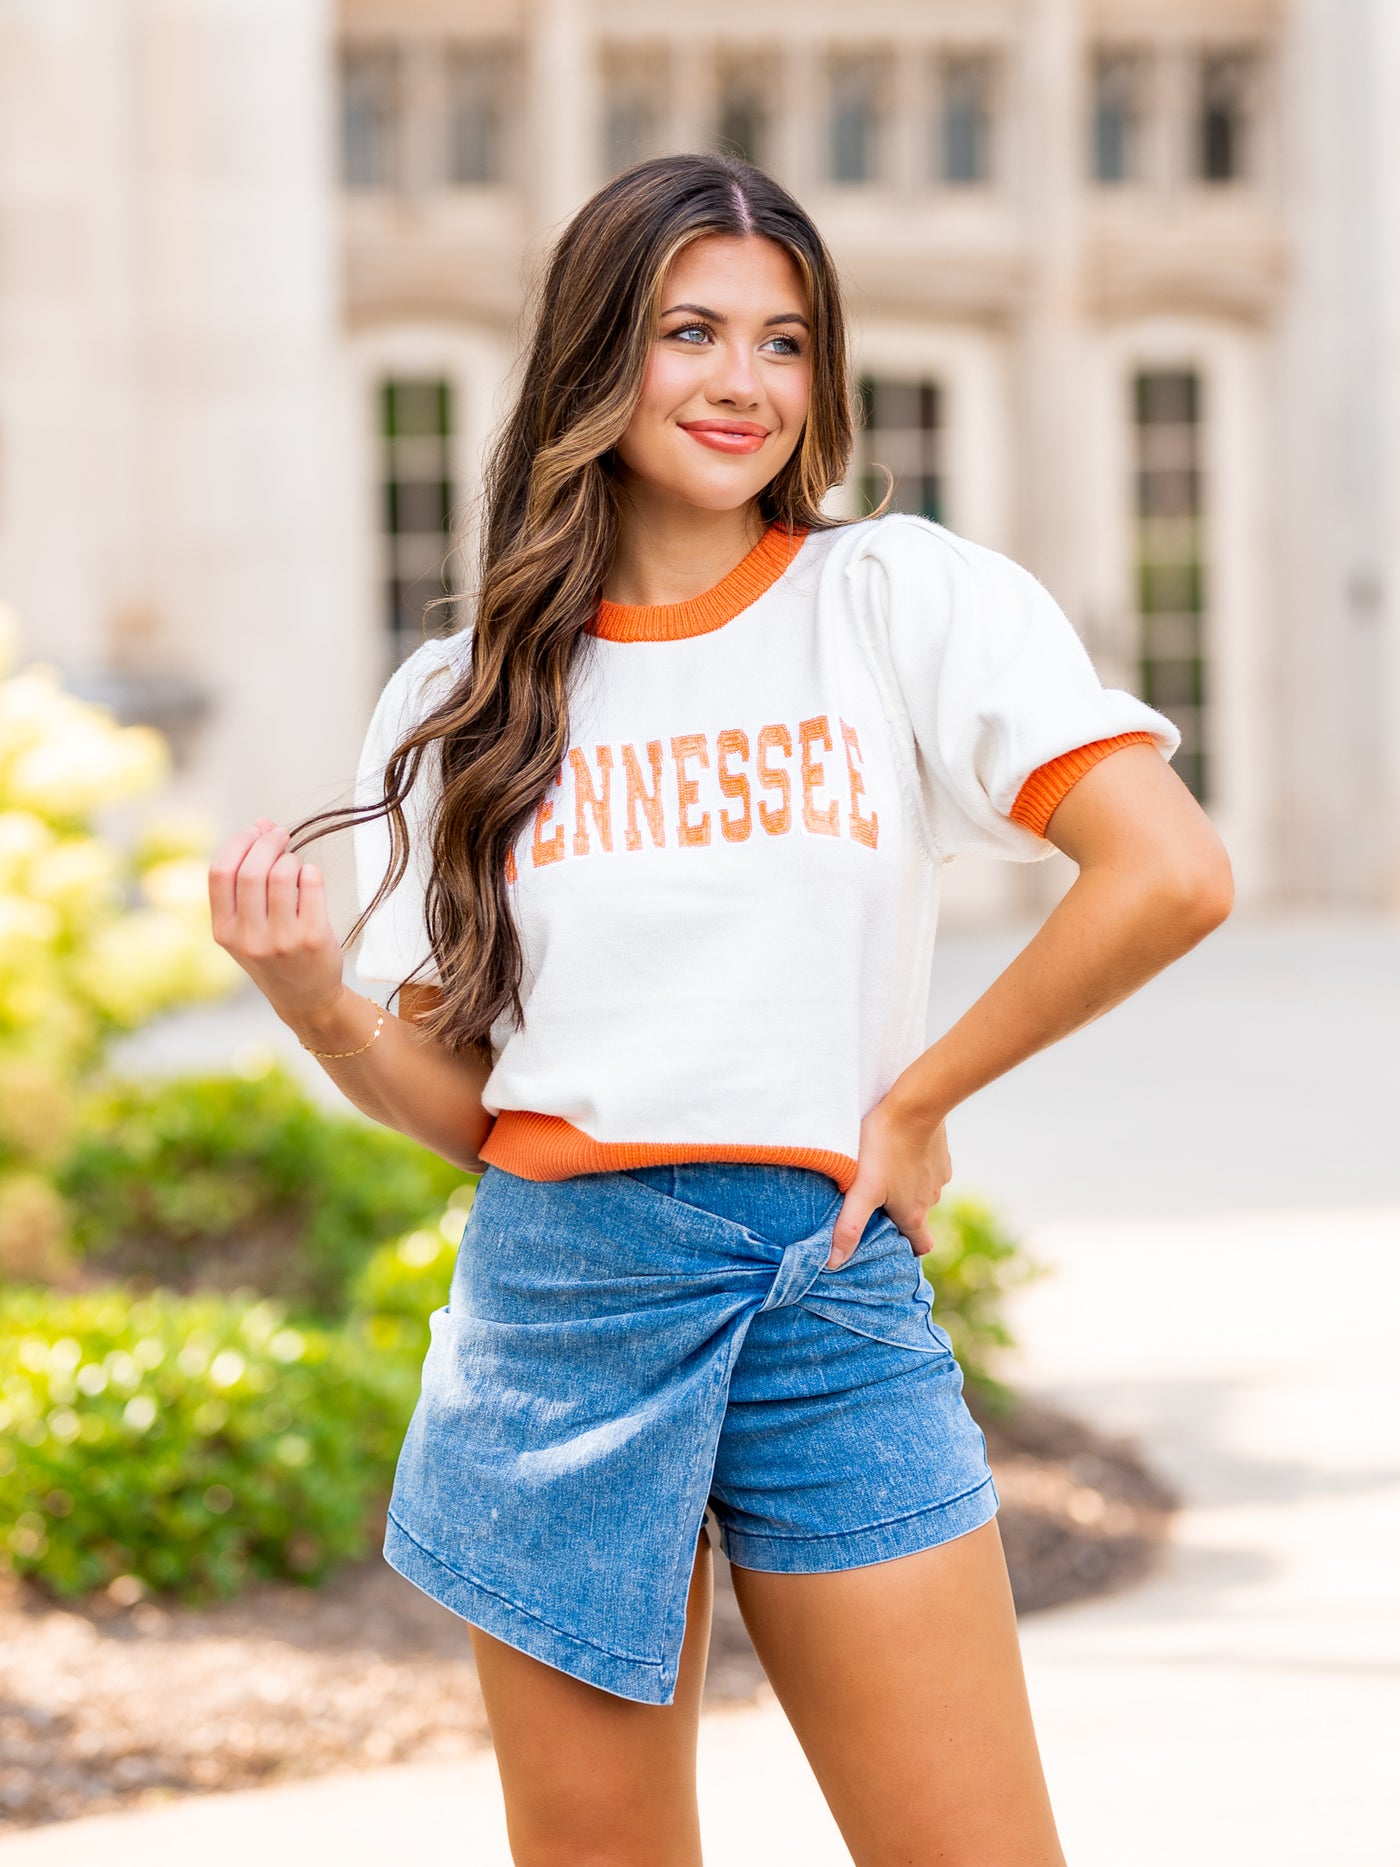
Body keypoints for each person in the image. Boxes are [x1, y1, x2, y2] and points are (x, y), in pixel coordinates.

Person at [209, 153, 1232, 1867]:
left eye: (785, 340)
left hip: (816, 1294)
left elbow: (1168, 874)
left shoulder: (895, 599)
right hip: (556, 1318)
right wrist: (315, 1002)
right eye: (692, 331)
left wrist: (914, 1097)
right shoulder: (463, 699)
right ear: (597, 356)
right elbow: (481, 1108)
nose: (743, 382)